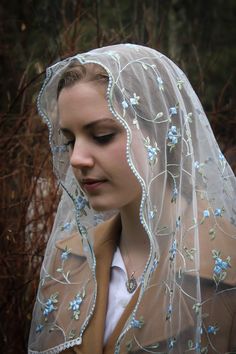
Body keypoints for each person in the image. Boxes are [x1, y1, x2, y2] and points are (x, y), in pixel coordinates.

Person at [28, 44, 236, 354]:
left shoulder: (226, 266)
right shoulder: (68, 260)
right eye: (70, 141)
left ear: (161, 133)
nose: (77, 158)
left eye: (101, 135)